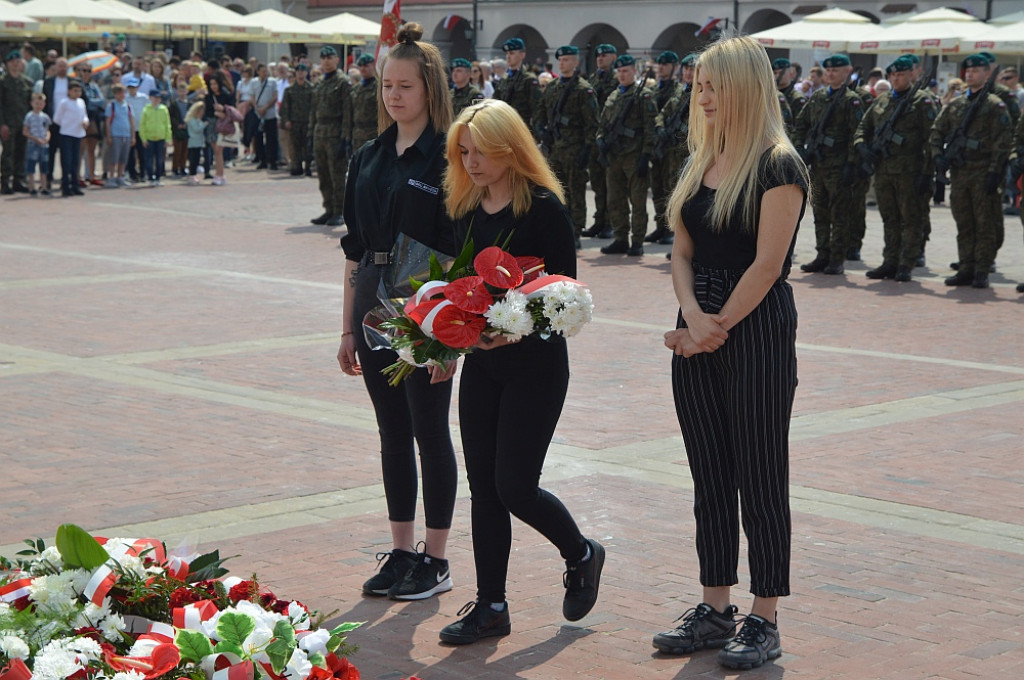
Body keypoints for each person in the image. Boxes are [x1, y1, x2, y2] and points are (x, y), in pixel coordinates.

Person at [656, 35, 808, 671]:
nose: (705, 95)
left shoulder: (779, 164)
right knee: (710, 473)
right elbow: (682, 251)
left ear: (747, 86)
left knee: (760, 472)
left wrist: (712, 327)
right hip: (699, 322)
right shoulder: (702, 158)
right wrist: (692, 318)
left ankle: (764, 615)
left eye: (716, 84)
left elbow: (768, 264)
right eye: (700, 85)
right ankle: (715, 607)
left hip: (756, 324)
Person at [435, 99, 605, 646]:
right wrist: (444, 347)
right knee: (483, 490)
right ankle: (492, 606)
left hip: (535, 368)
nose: (471, 161)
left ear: (510, 148)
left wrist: (518, 327)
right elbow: (453, 289)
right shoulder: (464, 208)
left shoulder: (545, 210)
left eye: (480, 150)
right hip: (483, 366)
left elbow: (566, 297)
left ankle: (581, 554)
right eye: (463, 151)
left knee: (514, 487)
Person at [336, 22, 458, 602]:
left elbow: (463, 253)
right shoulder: (369, 155)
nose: (393, 96)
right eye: (387, 85)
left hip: (427, 310)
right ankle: (402, 550)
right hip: (372, 309)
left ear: (428, 88)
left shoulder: (451, 155)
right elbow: (355, 248)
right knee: (392, 435)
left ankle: (436, 558)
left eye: (405, 86)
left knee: (430, 432)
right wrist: (344, 327)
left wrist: (452, 340)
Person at [930, 54, 1013, 289]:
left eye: (976, 71)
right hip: (960, 173)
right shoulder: (956, 104)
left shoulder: (995, 105)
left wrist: (995, 172)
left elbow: (1002, 141)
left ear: (987, 74)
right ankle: (966, 267)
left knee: (984, 224)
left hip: (983, 172)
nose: (970, 74)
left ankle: (982, 270)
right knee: (964, 223)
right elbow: (937, 130)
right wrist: (938, 156)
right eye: (967, 70)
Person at [853, 56, 936, 282]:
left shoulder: (922, 102)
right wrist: (862, 146)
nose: (896, 79)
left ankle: (906, 264)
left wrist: (928, 173)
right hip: (884, 170)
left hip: (911, 171)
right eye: (893, 75)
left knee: (910, 219)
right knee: (889, 218)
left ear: (912, 74)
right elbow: (864, 127)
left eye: (901, 74)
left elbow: (932, 140)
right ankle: (890, 261)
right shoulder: (882, 101)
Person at [793, 53, 863, 275]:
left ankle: (836, 258)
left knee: (839, 214)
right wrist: (800, 149)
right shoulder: (818, 97)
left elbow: (857, 134)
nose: (831, 74)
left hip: (839, 165)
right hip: (818, 164)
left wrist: (852, 164)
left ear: (847, 71)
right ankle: (822, 254)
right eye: (828, 70)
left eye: (836, 70)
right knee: (820, 213)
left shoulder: (851, 100)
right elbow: (800, 124)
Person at [534, 45, 597, 247]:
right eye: (560, 60)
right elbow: (540, 114)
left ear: (576, 62)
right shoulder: (552, 88)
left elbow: (592, 123)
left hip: (575, 149)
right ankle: (558, 229)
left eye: (567, 60)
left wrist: (587, 150)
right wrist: (542, 132)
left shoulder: (583, 90)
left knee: (576, 193)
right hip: (555, 150)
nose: (563, 63)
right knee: (556, 192)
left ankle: (576, 231)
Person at [596, 54, 657, 257]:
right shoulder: (613, 96)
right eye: (619, 72)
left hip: (634, 157)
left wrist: (645, 156)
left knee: (637, 201)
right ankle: (620, 238)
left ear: (634, 72)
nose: (622, 75)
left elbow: (650, 128)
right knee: (616, 200)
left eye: (626, 71)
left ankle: (637, 241)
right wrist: (600, 140)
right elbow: (603, 125)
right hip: (614, 158)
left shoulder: (644, 96)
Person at [309, 46, 353, 227]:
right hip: (320, 132)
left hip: (335, 133)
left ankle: (338, 211)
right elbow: (314, 110)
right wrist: (310, 133)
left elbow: (347, 112)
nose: (326, 61)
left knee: (337, 174)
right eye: (323, 58)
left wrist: (345, 137)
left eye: (330, 57)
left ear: (337, 60)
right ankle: (328, 209)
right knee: (323, 174)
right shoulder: (319, 83)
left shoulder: (343, 82)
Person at [646, 50, 684, 245]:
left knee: (671, 190)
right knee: (657, 188)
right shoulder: (652, 90)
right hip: (655, 146)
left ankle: (669, 229)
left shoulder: (678, 92)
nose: (661, 68)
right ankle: (660, 226)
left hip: (671, 150)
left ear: (674, 67)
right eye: (659, 65)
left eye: (665, 65)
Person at [582, 44, 619, 239]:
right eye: (598, 56)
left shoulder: (616, 79)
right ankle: (599, 220)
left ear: (613, 57)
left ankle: (610, 223)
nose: (600, 58)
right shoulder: (593, 79)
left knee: (610, 184)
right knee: (597, 182)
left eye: (604, 55)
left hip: (609, 139)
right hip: (593, 137)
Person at [1, 49, 34, 194]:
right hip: (8, 123)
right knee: (8, 153)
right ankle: (5, 182)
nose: (15, 64)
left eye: (18, 61)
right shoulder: (2, 82)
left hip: (23, 122)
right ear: (7, 64)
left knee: (21, 152)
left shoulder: (27, 82)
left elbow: (30, 104)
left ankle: (18, 181)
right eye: (12, 62)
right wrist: (2, 124)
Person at [493, 38, 539, 130]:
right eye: (507, 53)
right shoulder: (504, 79)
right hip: (503, 128)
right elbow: (494, 103)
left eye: (512, 53)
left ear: (522, 55)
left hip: (521, 128)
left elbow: (537, 109)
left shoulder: (529, 79)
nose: (508, 56)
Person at [54, 79, 89, 197]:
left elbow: (84, 115)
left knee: (75, 161)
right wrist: (66, 125)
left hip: (78, 133)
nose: (77, 93)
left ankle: (75, 185)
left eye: (79, 91)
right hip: (66, 134)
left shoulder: (81, 102)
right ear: (69, 91)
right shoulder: (64, 102)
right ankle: (65, 186)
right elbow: (57, 118)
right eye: (75, 91)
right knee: (66, 161)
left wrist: (85, 122)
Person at [280, 63, 313, 176]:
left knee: (307, 146)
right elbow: (285, 107)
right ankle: (297, 167)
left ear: (306, 73)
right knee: (295, 146)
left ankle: (308, 167)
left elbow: (314, 106)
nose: (300, 73)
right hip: (294, 122)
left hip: (307, 121)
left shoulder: (311, 89)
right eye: (298, 71)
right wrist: (286, 120)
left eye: (303, 71)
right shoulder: (289, 90)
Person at [204, 72, 235, 186]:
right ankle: (220, 175)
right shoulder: (208, 97)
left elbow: (232, 110)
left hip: (223, 125)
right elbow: (207, 112)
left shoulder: (226, 95)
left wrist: (223, 109)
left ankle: (219, 174)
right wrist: (216, 112)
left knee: (219, 150)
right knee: (216, 151)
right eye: (211, 84)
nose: (213, 86)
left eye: (215, 84)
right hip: (212, 124)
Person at [139, 89, 171, 186]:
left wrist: (167, 138)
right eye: (154, 97)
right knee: (149, 159)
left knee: (160, 159)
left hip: (161, 138)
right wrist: (144, 139)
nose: (156, 99)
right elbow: (142, 125)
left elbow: (167, 124)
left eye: (158, 97)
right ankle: (151, 177)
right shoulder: (146, 109)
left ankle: (158, 178)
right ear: (150, 98)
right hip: (150, 138)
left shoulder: (164, 109)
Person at [104, 83, 134, 187]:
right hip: (115, 134)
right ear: (115, 94)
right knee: (114, 158)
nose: (122, 95)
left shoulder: (128, 105)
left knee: (123, 158)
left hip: (126, 134)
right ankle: (111, 177)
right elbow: (107, 122)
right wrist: (108, 136)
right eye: (119, 93)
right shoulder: (111, 105)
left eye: (123, 93)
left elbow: (131, 121)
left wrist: (133, 136)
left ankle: (120, 177)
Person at [22, 92, 51, 195]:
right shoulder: (29, 116)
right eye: (36, 103)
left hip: (43, 144)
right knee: (31, 166)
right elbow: (25, 131)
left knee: (44, 166)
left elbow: (47, 129)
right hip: (33, 144)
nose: (39, 106)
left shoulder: (45, 117)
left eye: (41, 103)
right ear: (32, 103)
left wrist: (47, 138)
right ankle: (32, 187)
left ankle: (43, 187)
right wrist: (34, 138)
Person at [252, 63, 279, 170]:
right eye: (262, 71)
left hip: (270, 114)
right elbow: (252, 96)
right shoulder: (254, 82)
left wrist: (266, 108)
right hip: (258, 115)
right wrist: (257, 108)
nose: (265, 73)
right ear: (258, 72)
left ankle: (272, 161)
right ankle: (262, 160)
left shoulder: (273, 82)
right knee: (258, 138)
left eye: (266, 71)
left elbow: (275, 96)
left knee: (271, 139)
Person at [350, 53, 378, 151]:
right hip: (357, 135)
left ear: (373, 66)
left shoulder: (379, 88)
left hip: (373, 134)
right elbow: (349, 113)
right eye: (360, 66)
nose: (363, 68)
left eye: (366, 65)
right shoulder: (356, 88)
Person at [185, 101, 206, 185]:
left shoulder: (197, 120)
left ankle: (194, 175)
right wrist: (204, 125)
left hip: (199, 143)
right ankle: (192, 175)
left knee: (197, 160)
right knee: (193, 160)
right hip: (193, 143)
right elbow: (196, 129)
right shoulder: (191, 120)